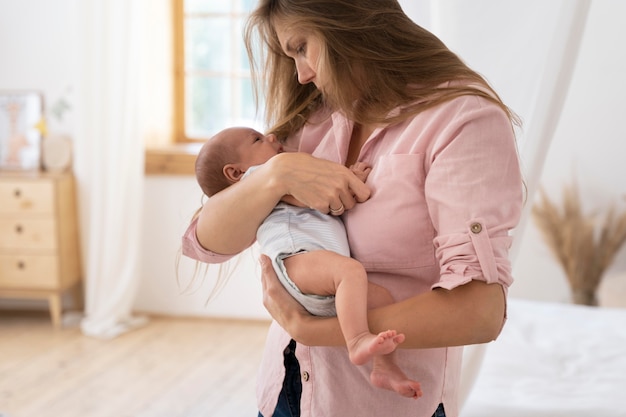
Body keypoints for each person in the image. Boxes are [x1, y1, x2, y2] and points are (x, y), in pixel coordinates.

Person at [181, 0, 524, 416]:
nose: (302, 74)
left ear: (347, 18)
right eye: (291, 57)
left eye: (302, 47)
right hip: (287, 391)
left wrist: (317, 330)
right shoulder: (312, 118)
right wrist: (278, 175)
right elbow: (205, 241)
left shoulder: (460, 120)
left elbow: (479, 312)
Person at [194, 126, 422, 399]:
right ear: (235, 172)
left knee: (382, 299)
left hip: (318, 272)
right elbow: (309, 196)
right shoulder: (260, 177)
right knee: (349, 271)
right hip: (296, 259)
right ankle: (357, 339)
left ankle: (385, 366)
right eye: (257, 139)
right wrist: (349, 179)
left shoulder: (272, 174)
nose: (272, 137)